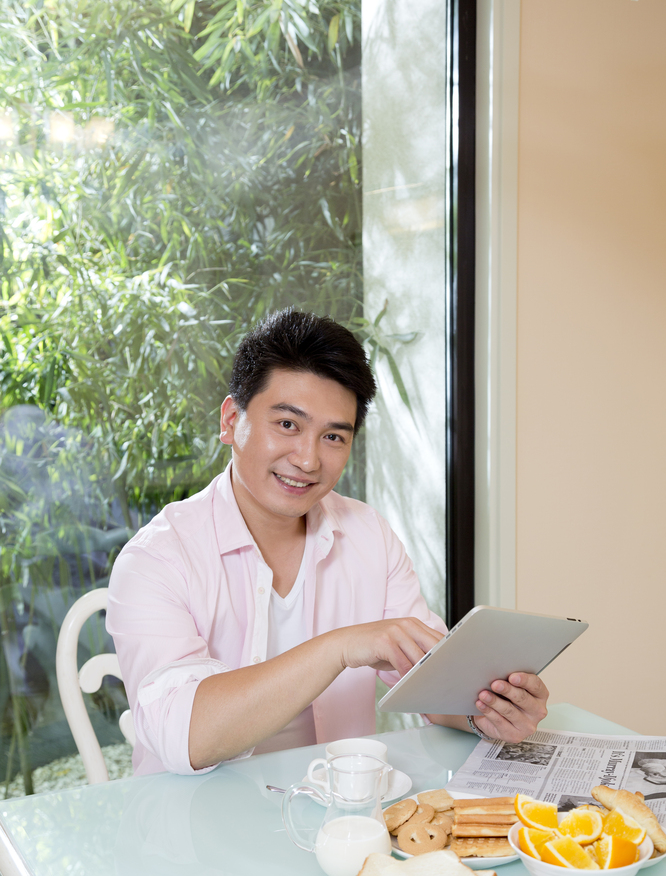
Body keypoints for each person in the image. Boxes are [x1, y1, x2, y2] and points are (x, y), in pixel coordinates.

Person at [107, 310, 548, 776]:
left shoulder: (368, 535)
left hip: (339, 819)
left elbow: (431, 683)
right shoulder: (154, 558)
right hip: (190, 829)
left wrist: (488, 712)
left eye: (333, 436)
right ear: (232, 420)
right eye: (288, 425)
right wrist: (339, 647)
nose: (308, 459)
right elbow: (187, 737)